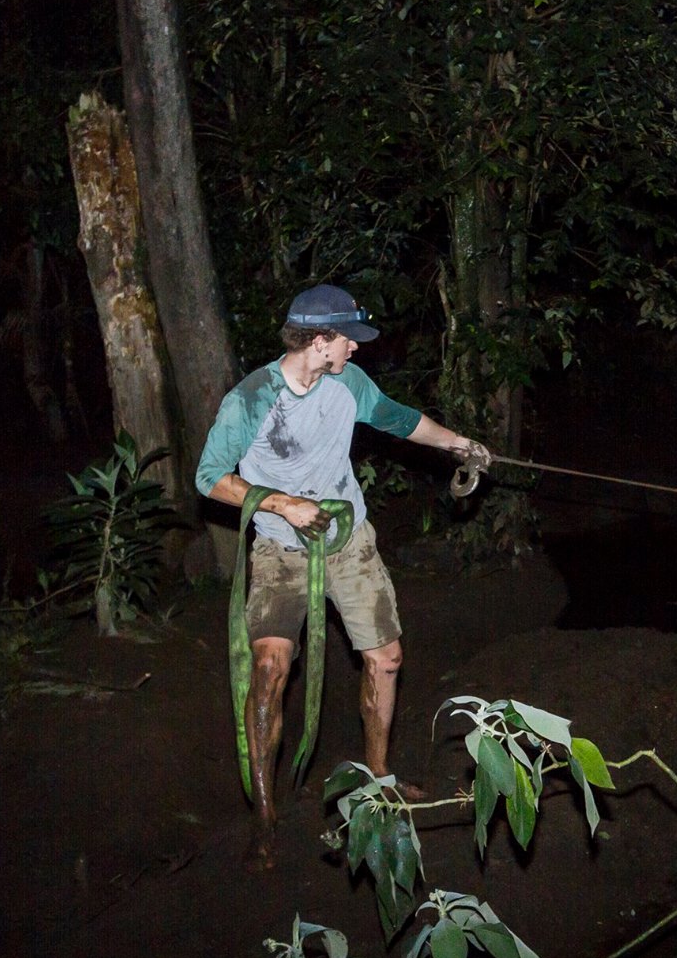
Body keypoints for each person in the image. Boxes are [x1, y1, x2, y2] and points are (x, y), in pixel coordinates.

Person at [194, 284, 487, 865]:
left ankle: (379, 779)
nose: (356, 348)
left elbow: (400, 421)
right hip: (279, 551)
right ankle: (265, 816)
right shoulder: (251, 399)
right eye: (348, 339)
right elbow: (208, 477)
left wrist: (460, 444)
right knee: (271, 668)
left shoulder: (348, 384)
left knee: (387, 657)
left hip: (347, 540)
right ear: (320, 340)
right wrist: (280, 503)